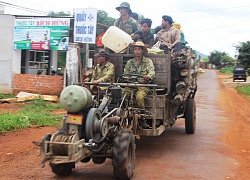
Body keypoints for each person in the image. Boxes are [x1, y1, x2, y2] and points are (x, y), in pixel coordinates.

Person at [122, 41, 155, 128]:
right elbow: (125, 73)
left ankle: (142, 119)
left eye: (139, 49)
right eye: (135, 49)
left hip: (143, 86)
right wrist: (126, 78)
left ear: (142, 51)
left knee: (139, 97)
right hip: (131, 85)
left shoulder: (148, 61)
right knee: (122, 94)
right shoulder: (130, 62)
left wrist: (148, 76)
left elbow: (152, 72)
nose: (137, 51)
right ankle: (122, 114)